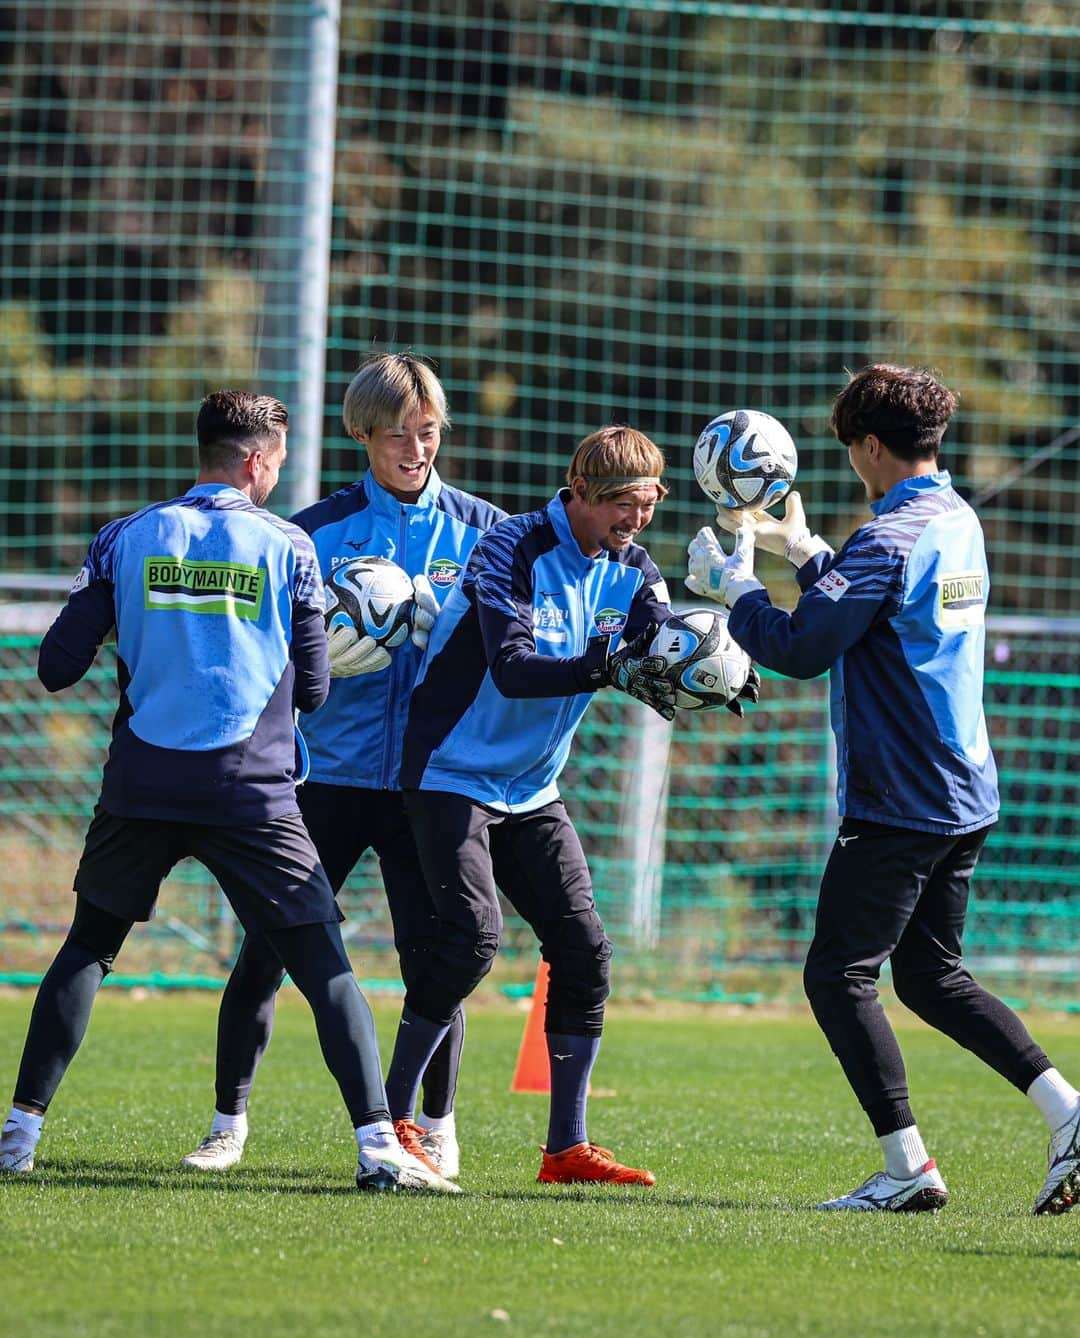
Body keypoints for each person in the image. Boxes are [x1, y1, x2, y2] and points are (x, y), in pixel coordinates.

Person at [0, 389, 456, 1194]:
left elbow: (55, 667)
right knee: (323, 966)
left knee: (90, 950)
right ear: (255, 462)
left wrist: (138, 619)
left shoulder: (126, 539)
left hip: (141, 787)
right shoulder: (288, 549)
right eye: (276, 464)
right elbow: (313, 690)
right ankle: (378, 1149)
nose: (277, 477)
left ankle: (18, 1135)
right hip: (251, 792)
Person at [685, 363, 1080, 1215]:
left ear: (870, 446)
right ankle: (1071, 1114)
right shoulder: (956, 519)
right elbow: (886, 609)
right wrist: (808, 551)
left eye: (850, 451)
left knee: (838, 977)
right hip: (965, 788)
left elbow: (799, 647)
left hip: (901, 796)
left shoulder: (887, 539)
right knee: (932, 977)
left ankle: (908, 1169)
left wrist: (736, 587)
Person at [387, 424, 760, 1187]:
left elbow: (665, 642)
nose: (636, 519)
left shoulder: (634, 567)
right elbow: (515, 669)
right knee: (470, 941)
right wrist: (610, 667)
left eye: (648, 503)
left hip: (532, 788)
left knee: (585, 949)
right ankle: (390, 1121)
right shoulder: (509, 549)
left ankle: (565, 1150)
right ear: (581, 492)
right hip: (450, 773)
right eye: (623, 504)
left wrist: (723, 669)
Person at [180, 354, 505, 1181]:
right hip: (324, 778)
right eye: (397, 434)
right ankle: (227, 1125)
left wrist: (451, 631)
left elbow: (514, 644)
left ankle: (434, 1125)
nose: (415, 449)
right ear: (363, 434)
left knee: (433, 957)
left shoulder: (485, 532)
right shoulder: (311, 533)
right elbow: (266, 645)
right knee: (265, 951)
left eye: (428, 433)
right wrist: (333, 651)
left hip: (431, 783)